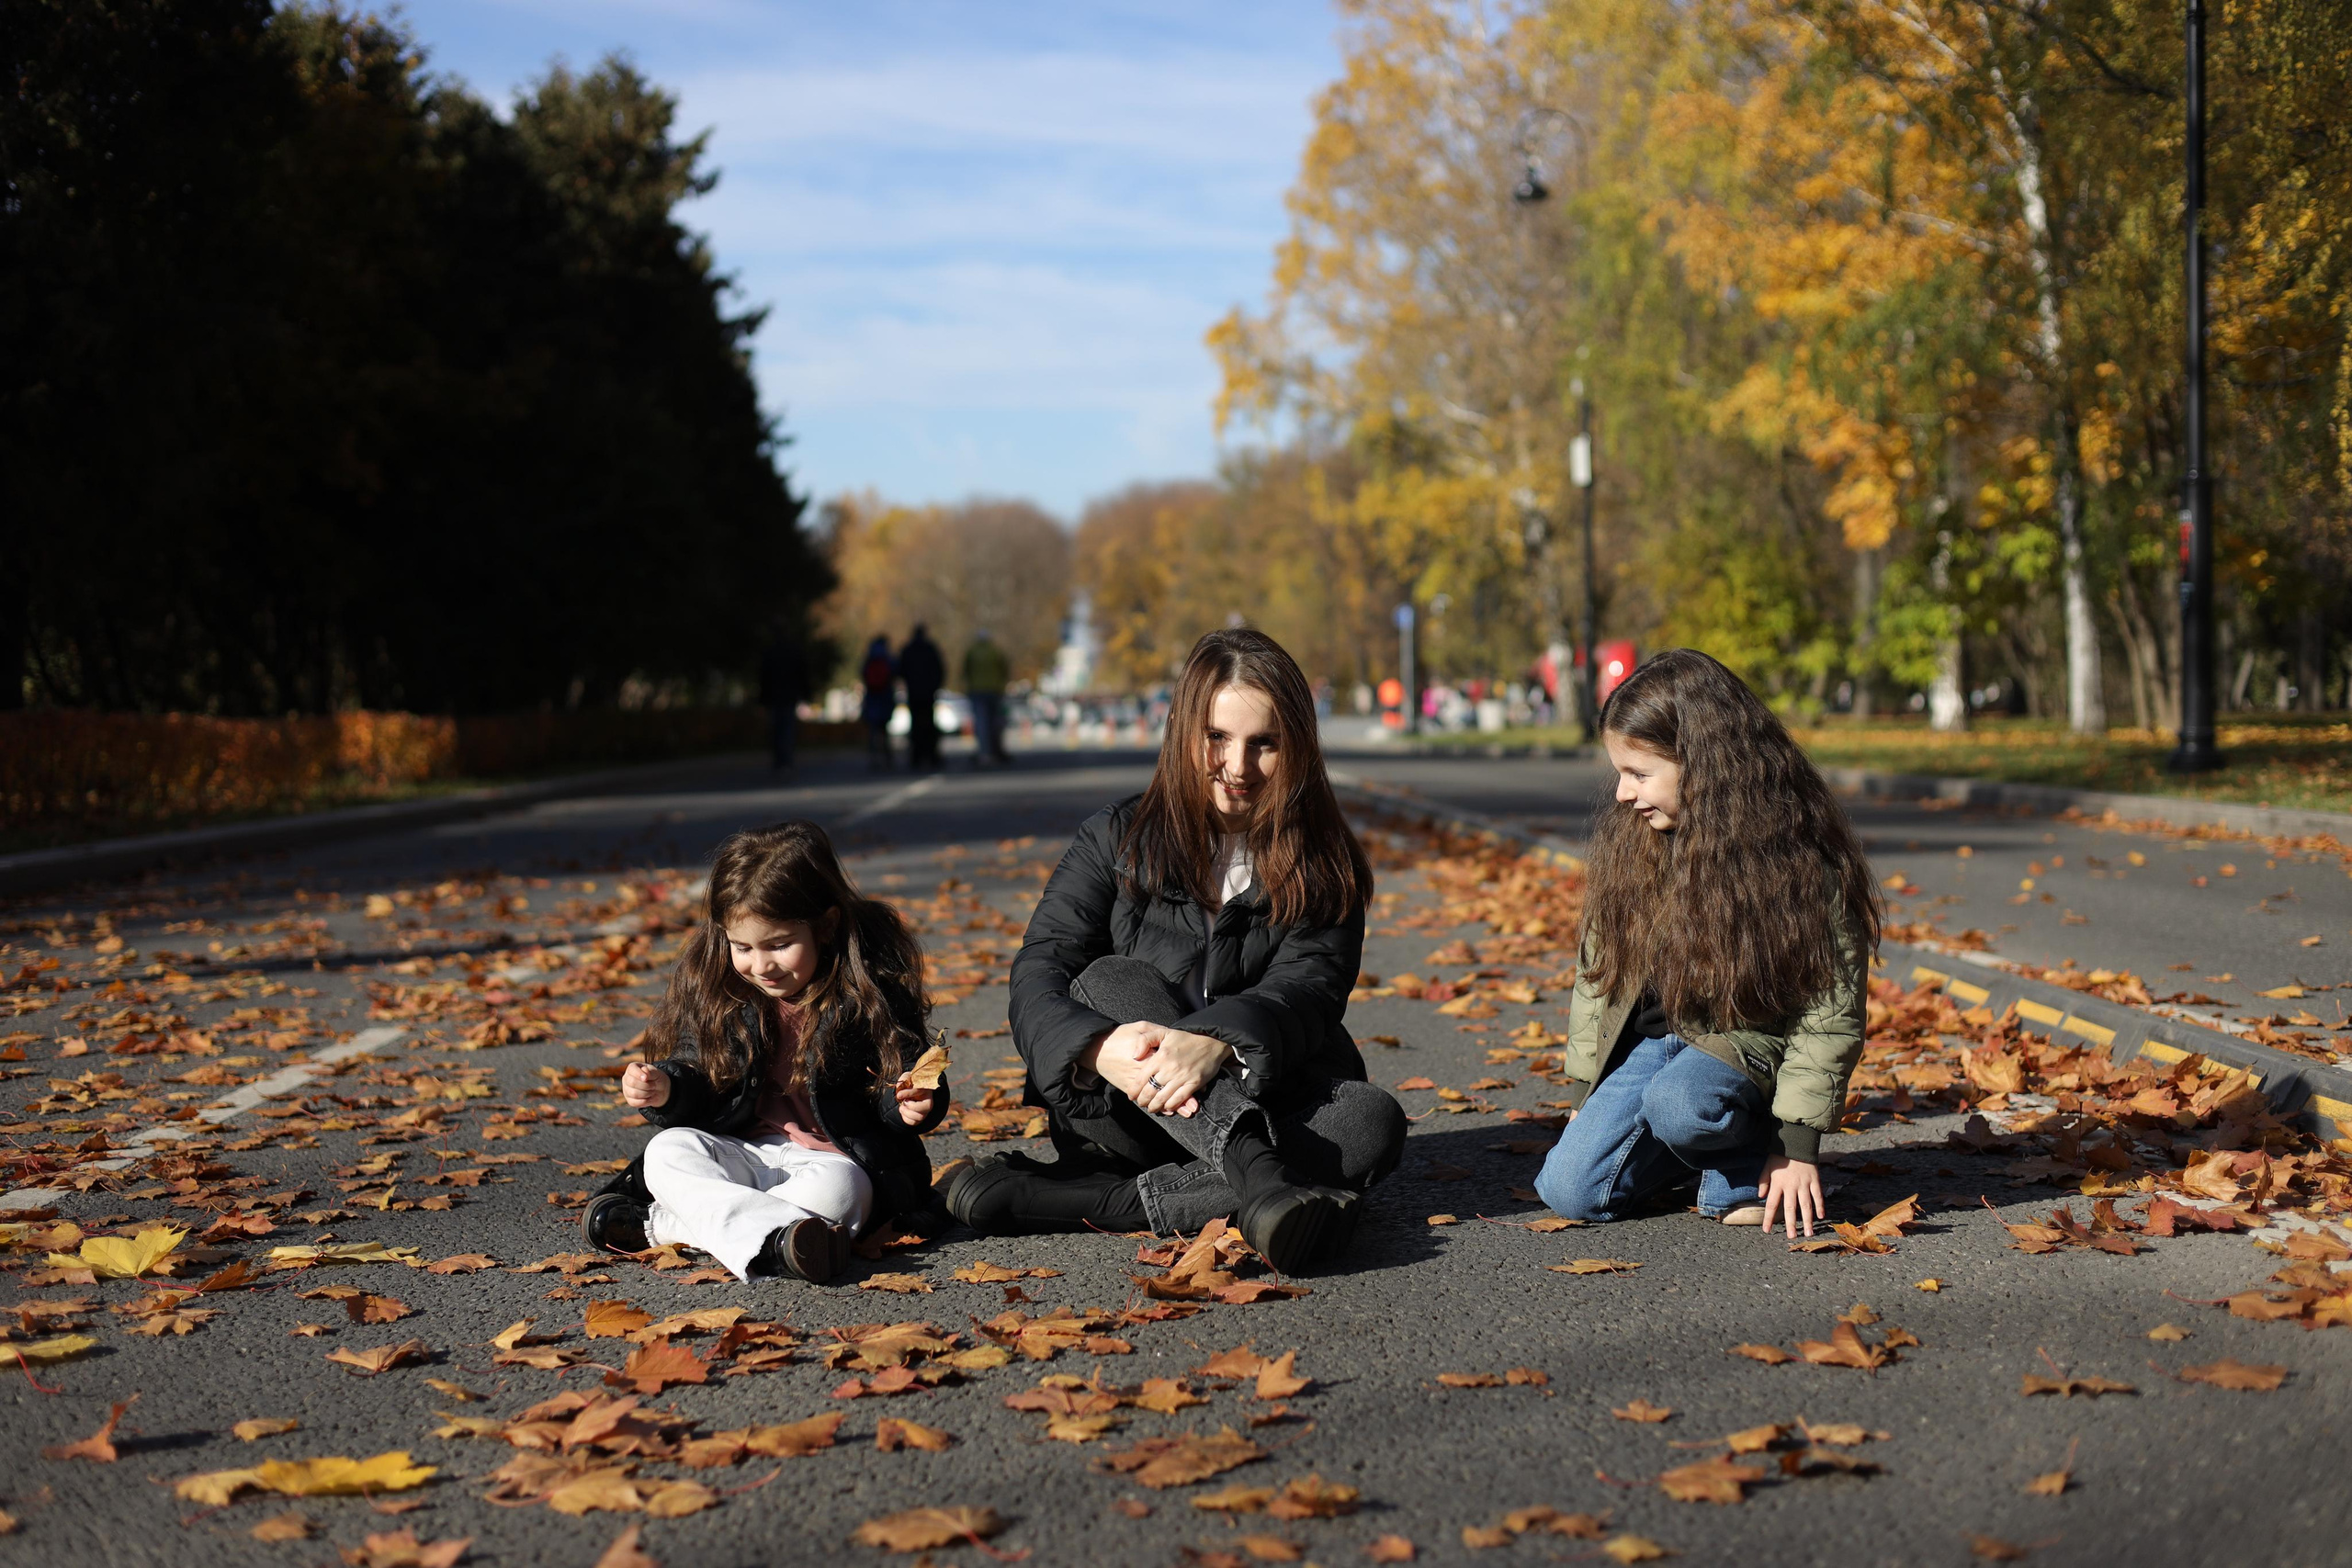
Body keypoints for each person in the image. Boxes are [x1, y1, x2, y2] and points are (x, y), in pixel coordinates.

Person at [944, 628, 1408, 1273]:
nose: (1238, 767)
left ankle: (1075, 1200)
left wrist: (1219, 1041)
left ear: (1296, 747)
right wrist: (1096, 1048)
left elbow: (1307, 990)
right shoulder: (1114, 836)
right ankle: (1261, 1180)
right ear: (1184, 733)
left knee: (1371, 1119)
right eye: (1218, 738)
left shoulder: (1324, 865)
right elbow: (1039, 969)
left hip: (1265, 1094)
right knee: (1109, 979)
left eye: (1264, 743)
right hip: (1126, 1108)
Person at [1532, 649, 1881, 1237]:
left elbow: (1829, 1013)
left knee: (1681, 1102)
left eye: (1639, 774)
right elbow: (1598, 977)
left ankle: (1741, 1161)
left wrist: (1794, 1146)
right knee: (1569, 1191)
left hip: (1746, 1046)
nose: (1621, 793)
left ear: (1703, 766)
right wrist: (1583, 1091)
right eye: (1619, 773)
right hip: (1656, 1047)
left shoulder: (1799, 858)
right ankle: (1689, 1146)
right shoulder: (1634, 839)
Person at [582, 821, 945, 1282]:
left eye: (779, 945)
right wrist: (668, 1087)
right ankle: (781, 1242)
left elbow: (901, 1071)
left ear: (826, 926)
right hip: (741, 1151)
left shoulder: (870, 991)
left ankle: (664, 1227)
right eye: (743, 947)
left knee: (845, 1192)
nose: (761, 965)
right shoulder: (721, 990)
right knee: (667, 1151)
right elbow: (700, 1073)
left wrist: (907, 1103)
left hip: (832, 1158)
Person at [759, 627, 808, 773]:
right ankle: (786, 761)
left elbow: (764, 677)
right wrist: (805, 694)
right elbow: (802, 674)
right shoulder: (793, 652)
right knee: (787, 730)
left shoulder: (771, 652)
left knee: (776, 730)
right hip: (789, 697)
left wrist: (763, 699)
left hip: (775, 697)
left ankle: (779, 761)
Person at [899, 625, 945, 769]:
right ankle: (931, 755)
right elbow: (940, 669)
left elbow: (901, 670)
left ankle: (916, 756)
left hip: (914, 693)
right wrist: (934, 686)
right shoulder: (930, 648)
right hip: (928, 693)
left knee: (915, 725)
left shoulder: (908, 649)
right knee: (929, 724)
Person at [962, 627, 1011, 766]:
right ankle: (996, 750)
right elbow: (1004, 670)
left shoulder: (972, 652)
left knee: (981, 723)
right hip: (994, 690)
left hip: (977, 691)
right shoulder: (995, 652)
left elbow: (966, 671)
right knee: (995, 723)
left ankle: (984, 753)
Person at [859, 635, 898, 773]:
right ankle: (888, 758)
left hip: (872, 697)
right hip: (884, 697)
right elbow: (894, 673)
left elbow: (863, 674)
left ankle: (874, 758)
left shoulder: (870, 658)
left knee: (873, 731)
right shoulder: (887, 658)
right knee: (884, 730)